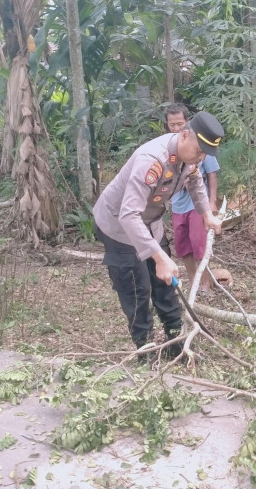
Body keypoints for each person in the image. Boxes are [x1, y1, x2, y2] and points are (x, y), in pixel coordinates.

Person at [93, 111, 224, 358]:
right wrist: (159, 257)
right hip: (118, 225)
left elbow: (195, 181)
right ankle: (146, 350)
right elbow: (128, 215)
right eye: (199, 150)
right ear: (184, 135)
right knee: (137, 287)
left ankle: (176, 342)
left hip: (150, 221)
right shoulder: (151, 160)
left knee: (165, 282)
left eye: (206, 153)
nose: (201, 157)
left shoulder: (190, 157)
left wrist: (206, 213)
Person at [165, 104, 220, 292]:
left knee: (199, 245)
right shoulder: (166, 148)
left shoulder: (200, 144)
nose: (176, 128)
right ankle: (193, 282)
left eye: (180, 123)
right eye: (172, 124)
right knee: (183, 247)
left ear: (187, 123)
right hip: (177, 205)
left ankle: (205, 284)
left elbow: (210, 174)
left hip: (197, 205)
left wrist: (211, 203)